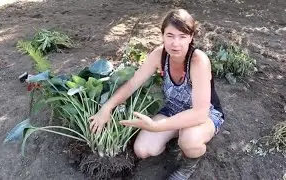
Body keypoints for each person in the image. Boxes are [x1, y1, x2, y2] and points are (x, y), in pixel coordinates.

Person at [89, 9, 225, 180]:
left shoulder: (198, 61)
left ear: (191, 38)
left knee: (190, 140)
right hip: (173, 109)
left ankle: (187, 166)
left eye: (182, 36)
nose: (176, 43)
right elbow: (132, 84)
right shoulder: (159, 55)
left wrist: (157, 127)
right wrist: (106, 108)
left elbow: (199, 114)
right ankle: (177, 136)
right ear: (162, 35)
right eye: (170, 35)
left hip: (205, 114)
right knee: (143, 150)